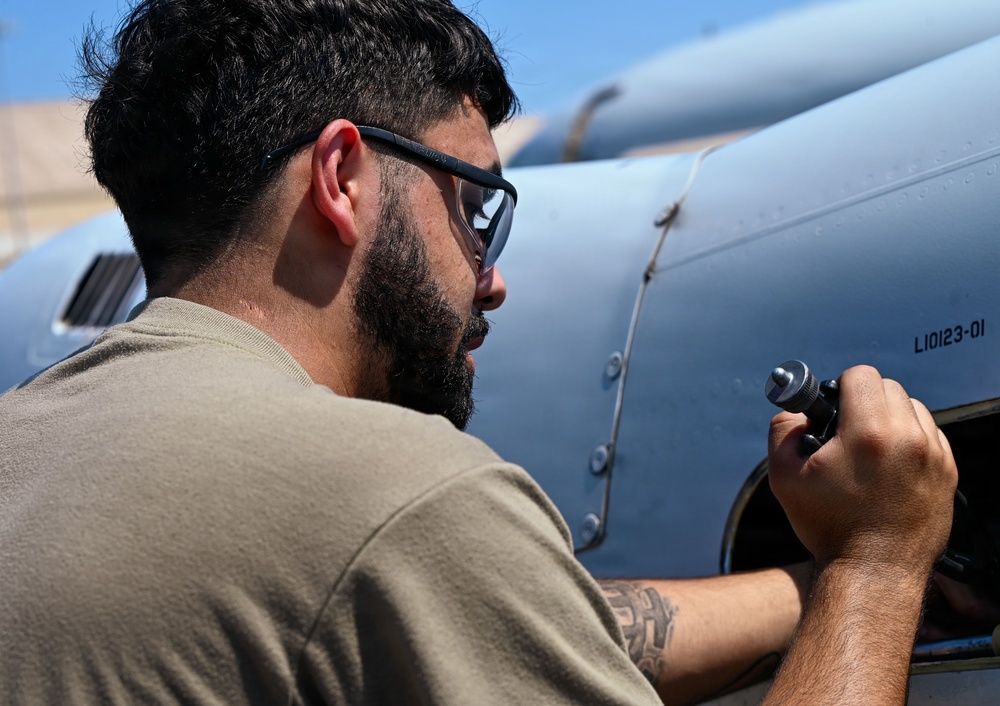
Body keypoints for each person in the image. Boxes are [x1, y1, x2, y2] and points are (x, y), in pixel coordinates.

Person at [0, 0, 959, 704]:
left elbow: (504, 621)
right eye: (473, 207)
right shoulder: (392, 494)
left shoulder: (26, 449)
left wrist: (811, 585)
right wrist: (879, 564)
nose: (491, 277)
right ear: (342, 177)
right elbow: (407, 552)